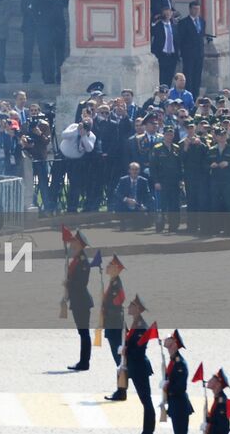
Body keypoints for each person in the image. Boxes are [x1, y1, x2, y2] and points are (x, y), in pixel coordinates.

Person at [121, 295, 155, 434]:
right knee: (145, 400)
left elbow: (139, 351)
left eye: (131, 305)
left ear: (137, 309)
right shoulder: (136, 323)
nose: (128, 307)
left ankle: (148, 430)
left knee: (146, 400)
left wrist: (126, 350)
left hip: (140, 368)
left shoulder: (141, 327)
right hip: (135, 367)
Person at [64, 229, 93, 371]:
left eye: (75, 242)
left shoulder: (82, 261)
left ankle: (84, 362)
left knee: (84, 332)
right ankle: (83, 361)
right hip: (77, 301)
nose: (72, 244)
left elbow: (81, 283)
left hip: (82, 301)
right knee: (82, 332)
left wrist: (68, 283)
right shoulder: (76, 259)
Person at [100, 254, 127, 401]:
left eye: (110, 265)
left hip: (114, 322)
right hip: (112, 321)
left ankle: (121, 390)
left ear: (116, 269)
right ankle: (120, 389)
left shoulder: (116, 283)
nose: (107, 267)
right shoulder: (113, 281)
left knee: (119, 359)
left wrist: (108, 308)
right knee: (118, 358)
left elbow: (120, 299)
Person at [162, 330, 194, 434]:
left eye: (170, 339)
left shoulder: (180, 364)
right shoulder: (173, 360)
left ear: (175, 344)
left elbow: (181, 387)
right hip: (175, 404)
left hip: (180, 406)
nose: (166, 340)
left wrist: (167, 388)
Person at [19, 0, 43, 83]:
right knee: (27, 52)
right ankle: (26, 75)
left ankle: (45, 75)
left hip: (41, 27)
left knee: (44, 52)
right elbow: (24, 9)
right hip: (28, 27)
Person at [113, 162, 152, 228]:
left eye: (136, 169)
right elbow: (117, 192)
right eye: (132, 169)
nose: (134, 171)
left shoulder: (144, 181)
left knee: (141, 225)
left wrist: (144, 206)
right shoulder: (123, 180)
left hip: (137, 206)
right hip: (125, 206)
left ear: (139, 170)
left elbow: (148, 195)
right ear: (129, 170)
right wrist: (127, 199)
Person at [151, 8, 180, 88]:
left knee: (170, 77)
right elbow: (151, 31)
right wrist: (154, 22)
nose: (168, 15)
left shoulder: (175, 26)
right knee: (162, 77)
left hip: (172, 56)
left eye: (169, 13)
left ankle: (167, 94)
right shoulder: (158, 26)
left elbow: (177, 40)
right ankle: (162, 94)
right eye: (166, 13)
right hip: (162, 55)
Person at [205, 369, 230, 434]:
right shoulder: (218, 399)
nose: (209, 381)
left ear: (218, 384)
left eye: (212, 379)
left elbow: (222, 427)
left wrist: (209, 428)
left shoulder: (222, 403)